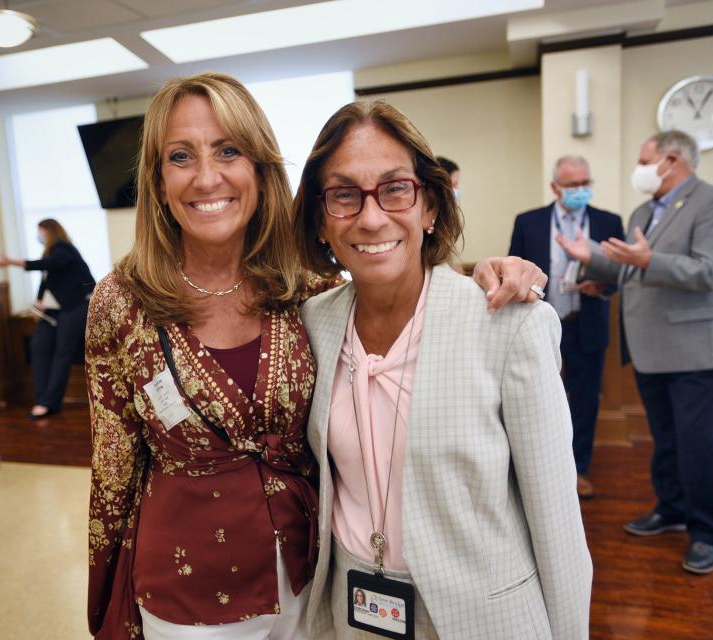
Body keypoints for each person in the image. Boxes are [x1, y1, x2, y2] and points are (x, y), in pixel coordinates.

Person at [84, 72, 546, 640]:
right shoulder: (122, 301)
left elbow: (388, 269)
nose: (207, 177)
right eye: (181, 156)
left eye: (228, 150)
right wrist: (107, 601)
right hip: (186, 593)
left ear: (260, 168)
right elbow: (113, 469)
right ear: (156, 181)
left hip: (310, 584)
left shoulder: (302, 286)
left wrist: (482, 275)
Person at [295, 100, 592, 639]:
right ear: (320, 219)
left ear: (429, 205)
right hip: (354, 611)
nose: (371, 216)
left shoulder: (506, 324)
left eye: (395, 188)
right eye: (344, 195)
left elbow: (558, 521)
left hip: (485, 617)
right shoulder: (310, 326)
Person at [557, 130, 713, 575]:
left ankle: (705, 533)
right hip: (651, 348)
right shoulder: (645, 210)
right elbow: (629, 272)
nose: (638, 168)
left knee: (696, 444)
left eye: (644, 160)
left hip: (698, 351)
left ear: (672, 159)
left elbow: (712, 272)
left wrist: (646, 262)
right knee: (665, 440)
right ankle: (672, 508)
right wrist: (593, 261)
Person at [508, 155, 624, 499]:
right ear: (555, 187)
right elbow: (515, 270)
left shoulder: (608, 222)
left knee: (585, 400)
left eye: (585, 183)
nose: (580, 190)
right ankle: (541, 469)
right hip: (542, 327)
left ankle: (578, 469)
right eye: (572, 185)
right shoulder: (529, 223)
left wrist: (602, 286)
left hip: (586, 323)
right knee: (540, 400)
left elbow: (621, 274)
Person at [0, 219, 95, 419]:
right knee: (38, 345)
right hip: (54, 309)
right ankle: (42, 398)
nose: (39, 236)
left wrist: (12, 262)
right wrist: (38, 301)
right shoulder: (50, 252)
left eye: (41, 232)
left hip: (76, 307)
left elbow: (46, 265)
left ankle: (49, 402)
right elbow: (47, 278)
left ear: (50, 232)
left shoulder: (64, 249)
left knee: (62, 353)